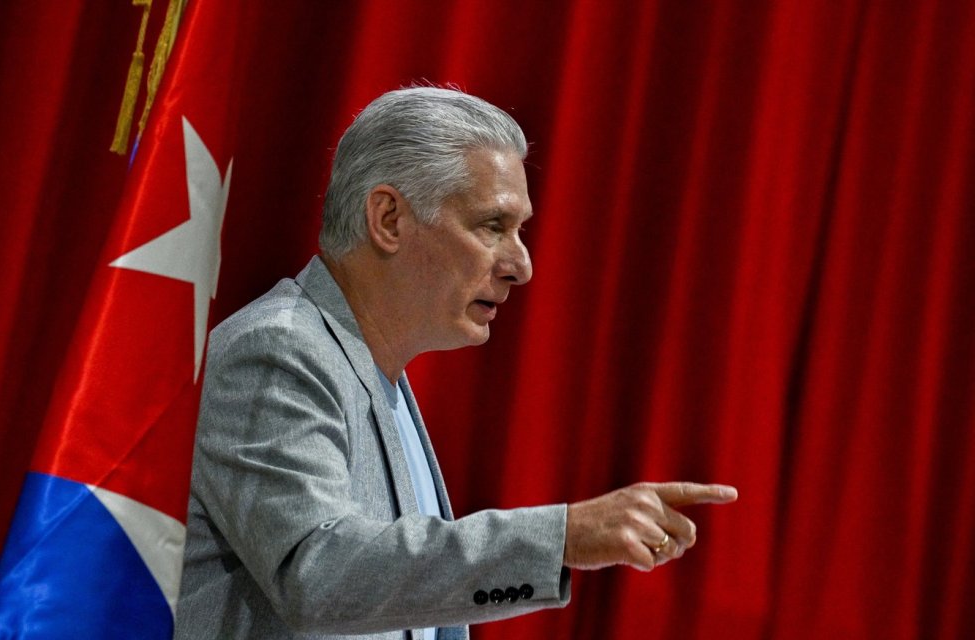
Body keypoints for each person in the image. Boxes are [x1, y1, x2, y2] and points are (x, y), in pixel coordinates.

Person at [174, 86, 738, 640]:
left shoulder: (377, 374)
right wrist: (560, 538)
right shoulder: (277, 352)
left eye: (519, 231)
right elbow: (317, 570)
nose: (521, 265)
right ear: (389, 219)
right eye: (492, 226)